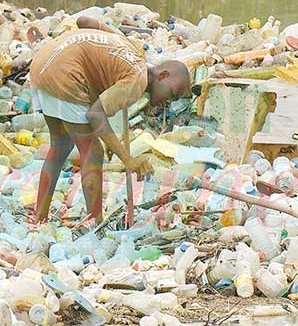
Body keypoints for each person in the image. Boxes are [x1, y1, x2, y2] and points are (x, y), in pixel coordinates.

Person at [28, 16, 192, 224]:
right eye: (173, 94)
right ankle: (95, 222)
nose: (168, 102)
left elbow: (85, 21)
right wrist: (128, 160)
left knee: (60, 146)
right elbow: (96, 114)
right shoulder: (137, 81)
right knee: (93, 151)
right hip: (65, 74)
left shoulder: (130, 49)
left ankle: (39, 218)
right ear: (163, 75)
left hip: (43, 62)